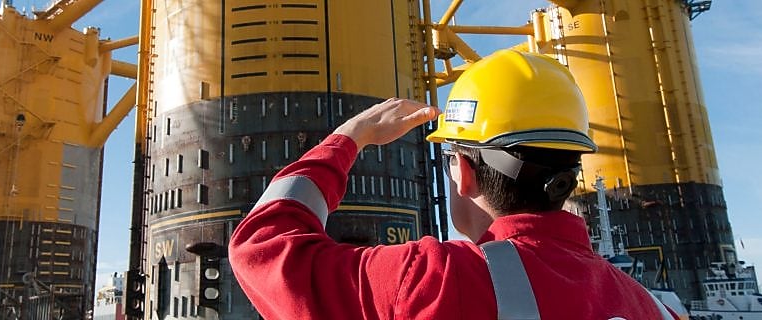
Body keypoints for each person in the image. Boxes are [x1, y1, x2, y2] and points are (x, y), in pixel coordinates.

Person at [229, 50, 677, 319]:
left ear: (463, 172)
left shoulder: (437, 280)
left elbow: (262, 249)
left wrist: (349, 138)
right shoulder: (660, 309)